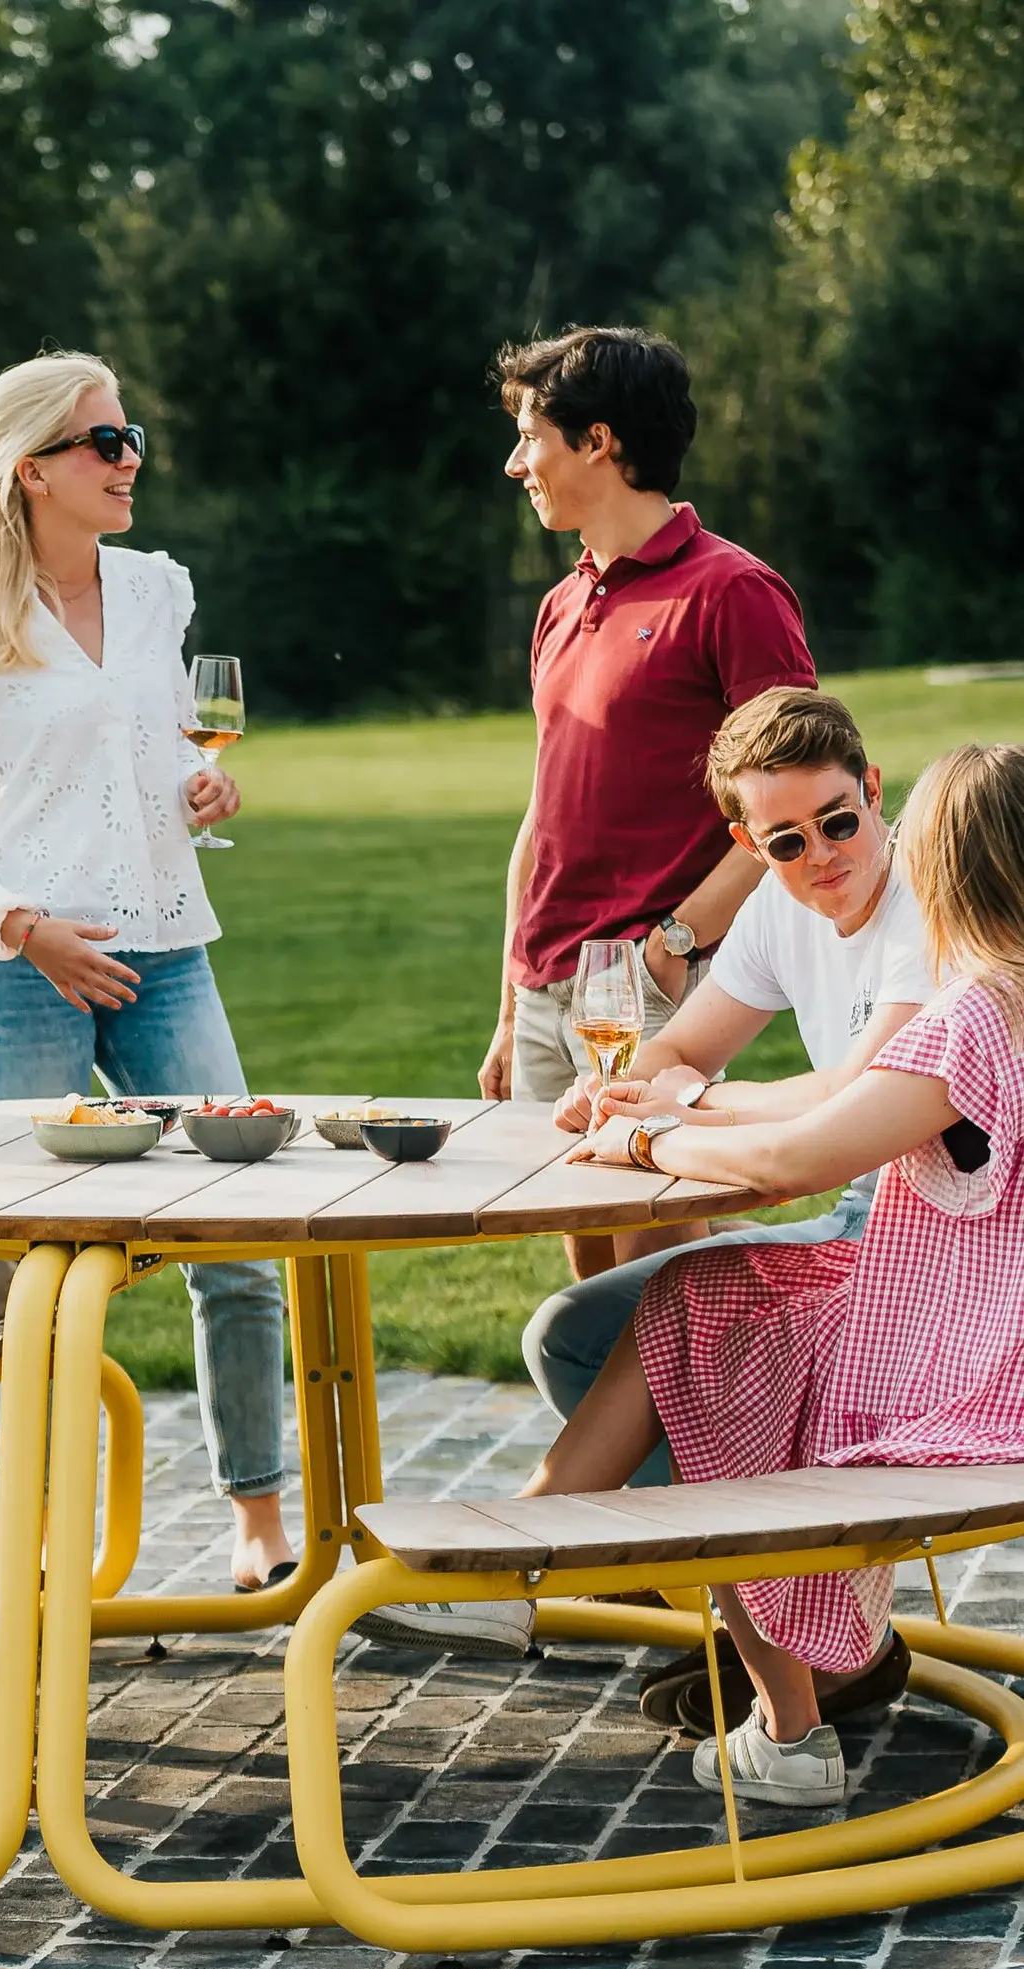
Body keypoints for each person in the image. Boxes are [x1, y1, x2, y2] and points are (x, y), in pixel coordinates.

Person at [359, 688, 934, 1689]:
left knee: (688, 1311)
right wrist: (630, 1087)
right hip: (851, 1215)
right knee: (572, 1333)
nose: (823, 857)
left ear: (871, 791)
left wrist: (677, 1113)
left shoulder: (926, 902)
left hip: (920, 1243)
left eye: (837, 822)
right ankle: (805, 1619)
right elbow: (673, 1047)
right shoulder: (774, 909)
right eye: (786, 841)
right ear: (746, 843)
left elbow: (852, 1098)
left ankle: (566, 1577)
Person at [519, 740, 1024, 1808]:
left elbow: (794, 1159)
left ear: (936, 869)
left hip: (967, 1365)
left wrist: (647, 1142)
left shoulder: (976, 1015)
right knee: (708, 1300)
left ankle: (782, 1718)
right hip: (975, 1327)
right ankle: (783, 1716)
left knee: (704, 1334)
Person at [0, 349, 295, 1592]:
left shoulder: (156, 590)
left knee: (240, 1231)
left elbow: (156, 751)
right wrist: (25, 931)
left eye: (128, 438)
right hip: (19, 969)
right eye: (105, 444)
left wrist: (197, 784)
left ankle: (259, 1516)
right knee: (48, 1266)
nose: (131, 461)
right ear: (32, 473)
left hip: (168, 951)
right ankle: (51, 1540)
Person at [480, 325, 817, 1283]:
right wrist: (512, 1003)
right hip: (550, 983)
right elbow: (543, 812)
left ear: (598, 441)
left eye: (529, 435)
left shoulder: (734, 592)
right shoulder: (558, 604)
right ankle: (625, 1441)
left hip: (654, 981)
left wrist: (672, 942)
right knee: (590, 1259)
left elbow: (797, 805)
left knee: (661, 1254)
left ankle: (716, 1434)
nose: (516, 464)